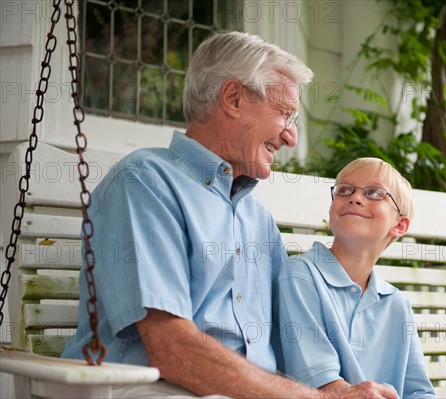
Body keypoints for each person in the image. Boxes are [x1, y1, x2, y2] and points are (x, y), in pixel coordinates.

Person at [61, 32, 398, 398]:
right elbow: (172, 349)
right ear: (233, 99)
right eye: (285, 113)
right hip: (154, 387)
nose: (291, 137)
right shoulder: (146, 182)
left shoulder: (258, 219)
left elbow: (294, 338)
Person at [273, 158, 437, 398]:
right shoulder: (300, 275)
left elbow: (419, 392)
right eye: (344, 190)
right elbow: (322, 385)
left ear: (399, 225)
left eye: (374, 193)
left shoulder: (397, 305)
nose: (355, 198)